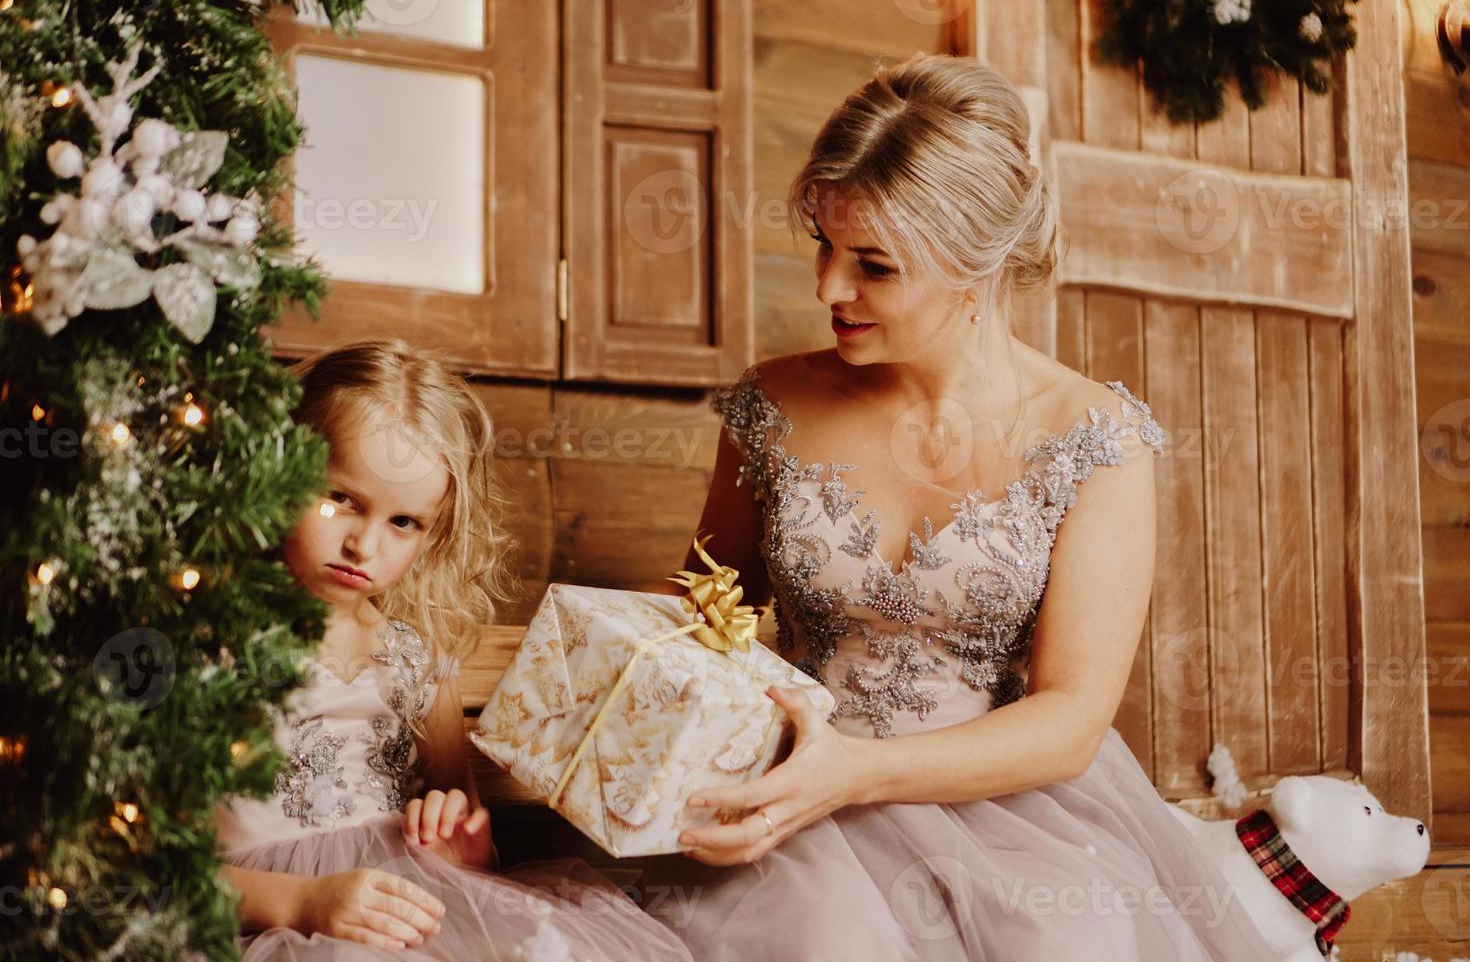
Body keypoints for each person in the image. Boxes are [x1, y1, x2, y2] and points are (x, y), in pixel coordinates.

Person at [640, 54, 1277, 960]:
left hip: (1007, 807)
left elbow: (1069, 719)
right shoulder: (772, 404)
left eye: (875, 265)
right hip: (793, 790)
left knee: (1071, 940)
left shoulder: (1094, 436)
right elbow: (705, 620)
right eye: (823, 244)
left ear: (977, 266)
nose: (828, 289)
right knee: (824, 942)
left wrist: (856, 775)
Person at [212, 340, 693, 961]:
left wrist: (465, 848)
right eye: (340, 498)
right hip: (269, 918)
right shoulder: (210, 641)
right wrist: (302, 904)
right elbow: (142, 862)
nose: (363, 543)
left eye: (403, 522)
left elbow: (466, 825)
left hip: (416, 910)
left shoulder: (417, 658)